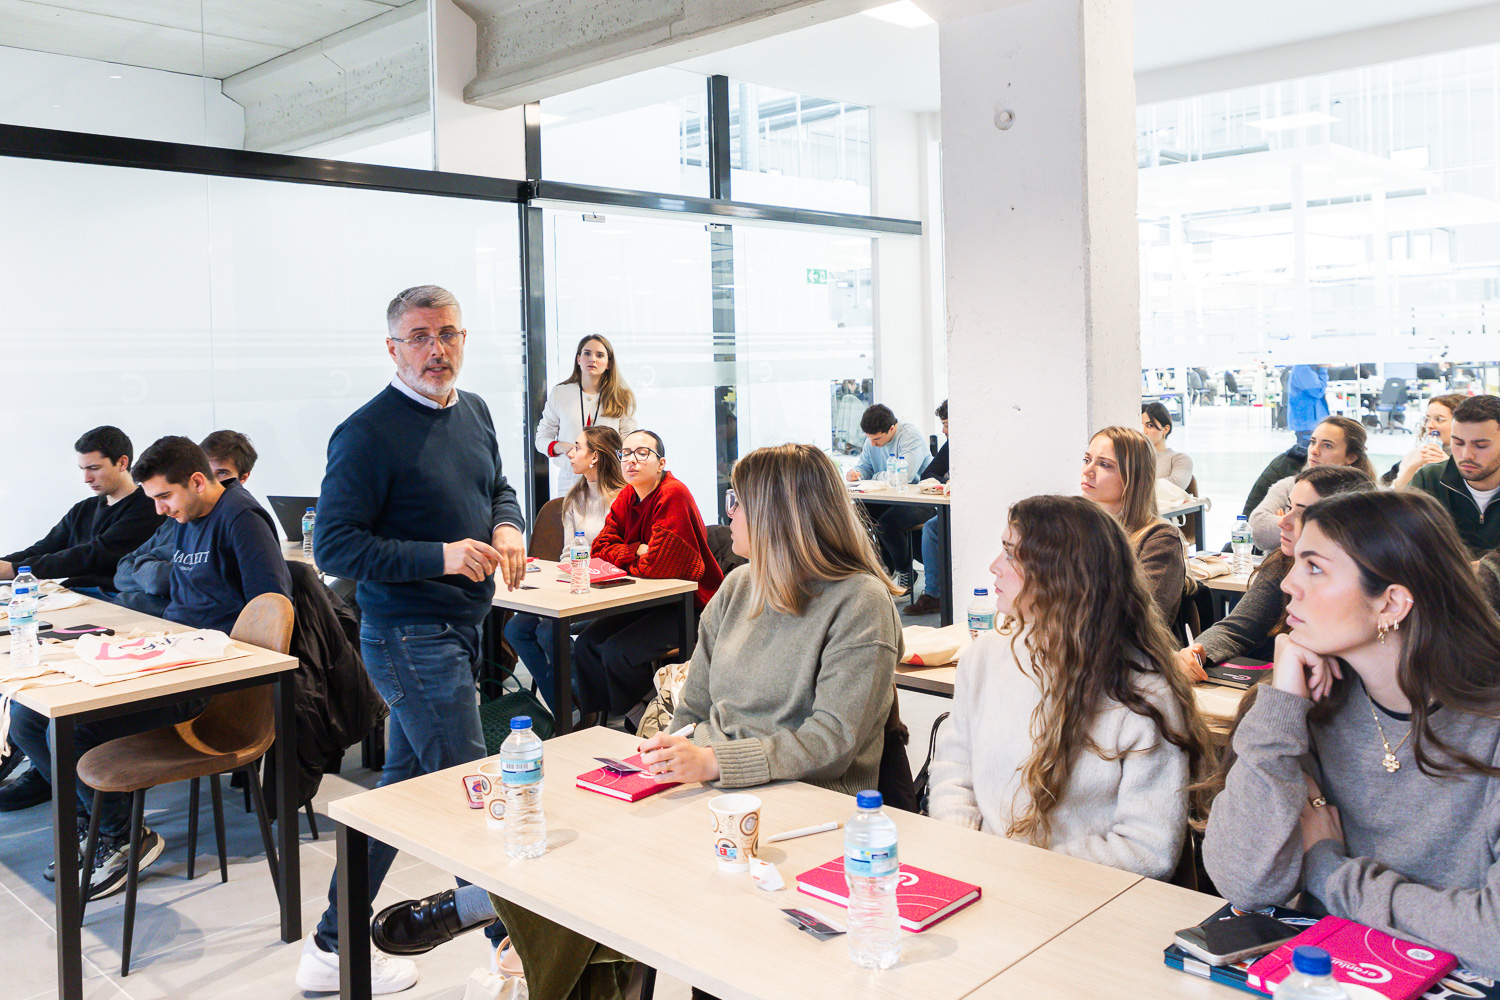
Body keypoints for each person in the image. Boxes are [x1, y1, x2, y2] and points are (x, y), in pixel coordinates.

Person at [366, 443, 906, 994]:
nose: (729, 514)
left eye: (738, 502)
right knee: (592, 833)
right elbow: (694, 706)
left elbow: (832, 740)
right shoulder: (741, 587)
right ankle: (510, 922)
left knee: (616, 869)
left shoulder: (859, 602)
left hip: (808, 807)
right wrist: (667, 752)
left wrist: (713, 761)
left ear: (780, 513)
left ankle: (487, 909)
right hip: (716, 789)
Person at [296, 285, 527, 995]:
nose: (438, 349)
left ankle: (332, 951)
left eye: (450, 334)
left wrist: (507, 526)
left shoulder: (476, 409)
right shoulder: (365, 432)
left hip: (460, 626)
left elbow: (499, 487)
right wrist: (442, 555)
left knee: (403, 790)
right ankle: (513, 947)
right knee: (472, 787)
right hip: (408, 634)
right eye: (421, 337)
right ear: (392, 348)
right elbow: (334, 547)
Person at [1201, 490, 1500, 975]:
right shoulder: (1308, 703)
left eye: (1315, 567)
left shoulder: (1488, 727)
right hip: (1324, 979)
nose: (1289, 584)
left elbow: (1492, 939)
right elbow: (1244, 883)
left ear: (1392, 602)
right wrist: (1279, 707)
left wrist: (1327, 869)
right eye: (1296, 563)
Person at [2, 435, 292, 898]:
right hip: (174, 655)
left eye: (163, 497)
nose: (157, 510)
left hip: (212, 684)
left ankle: (121, 835)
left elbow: (272, 607)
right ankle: (91, 821)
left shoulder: (241, 518)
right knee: (28, 719)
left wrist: (191, 653)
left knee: (70, 727)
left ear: (197, 481)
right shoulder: (188, 516)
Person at [928, 495, 1212, 878]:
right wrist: (968, 851)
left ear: (1060, 575)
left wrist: (1023, 870)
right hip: (987, 879)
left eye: (1011, 554)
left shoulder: (1143, 694)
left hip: (1083, 899)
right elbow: (954, 768)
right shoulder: (985, 657)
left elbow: (1149, 848)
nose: (994, 566)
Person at [574, 429, 723, 723]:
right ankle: (615, 718)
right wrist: (636, 551)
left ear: (661, 462)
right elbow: (599, 548)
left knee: (618, 650)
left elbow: (659, 564)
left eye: (642, 453)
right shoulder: (628, 495)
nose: (632, 460)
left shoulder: (672, 493)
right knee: (587, 643)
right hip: (650, 601)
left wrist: (631, 555)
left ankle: (644, 719)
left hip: (691, 606)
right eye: (625, 454)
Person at [1176, 466, 1375, 681]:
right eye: (1288, 508)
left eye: (1301, 514)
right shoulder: (1283, 563)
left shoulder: (1362, 591)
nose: (1282, 521)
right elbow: (1238, 628)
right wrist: (1198, 651)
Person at [504, 425, 625, 711]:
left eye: (578, 448)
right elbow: (567, 553)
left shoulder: (624, 498)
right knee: (515, 629)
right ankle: (568, 708)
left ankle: (587, 705)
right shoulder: (574, 498)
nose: (570, 453)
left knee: (548, 632)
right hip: (575, 586)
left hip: (608, 590)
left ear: (595, 457)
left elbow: (620, 555)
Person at [113, 430, 258, 618]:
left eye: (221, 474)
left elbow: (203, 582)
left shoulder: (239, 517)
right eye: (208, 470)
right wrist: (160, 575)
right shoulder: (180, 518)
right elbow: (123, 570)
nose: (210, 480)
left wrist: (157, 575)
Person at [0, 425, 162, 594]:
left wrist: (12, 569)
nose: (87, 478)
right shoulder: (83, 508)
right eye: (83, 469)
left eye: (94, 468)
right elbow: (42, 549)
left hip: (110, 598)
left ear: (122, 463)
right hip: (71, 593)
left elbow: (93, 555)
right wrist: (6, 564)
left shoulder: (148, 506)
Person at [1080, 426, 1187, 626]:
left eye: (1104, 464)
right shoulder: (1077, 530)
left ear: (1133, 476)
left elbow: (1140, 624)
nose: (1087, 471)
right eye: (1087, 460)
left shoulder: (1159, 539)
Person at [1248, 416, 1375, 551]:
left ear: (1351, 457)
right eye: (1313, 442)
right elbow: (1258, 530)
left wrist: (1288, 524)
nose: (1314, 451)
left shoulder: (1366, 496)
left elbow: (1359, 540)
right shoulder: (1289, 486)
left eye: (1327, 445)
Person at [845, 403, 935, 591]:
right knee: (857, 513)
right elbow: (865, 467)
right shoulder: (872, 441)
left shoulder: (910, 436)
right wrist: (856, 473)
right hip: (890, 499)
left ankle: (905, 572)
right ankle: (883, 565)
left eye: (877, 439)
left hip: (921, 500)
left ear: (892, 428)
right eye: (869, 439)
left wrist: (875, 476)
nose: (872, 444)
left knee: (887, 523)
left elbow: (904, 477)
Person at [535, 334, 637, 493]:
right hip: (570, 478)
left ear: (609, 363)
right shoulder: (560, 393)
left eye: (600, 355)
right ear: (578, 359)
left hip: (609, 478)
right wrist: (561, 447)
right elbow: (541, 438)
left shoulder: (621, 396)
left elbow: (629, 441)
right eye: (587, 353)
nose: (592, 359)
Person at [1408, 394, 1500, 557]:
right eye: (1458, 443)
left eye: (1481, 446)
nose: (1466, 455)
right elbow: (1403, 541)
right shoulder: (1429, 479)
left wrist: (1486, 569)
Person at [906, 400, 951, 617]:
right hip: (950, 505)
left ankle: (934, 594)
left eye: (947, 425)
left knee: (932, 528)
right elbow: (928, 475)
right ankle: (934, 594)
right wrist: (947, 482)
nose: (943, 430)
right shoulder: (951, 445)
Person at [1384, 393, 1464, 487]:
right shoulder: (1415, 455)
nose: (1429, 425)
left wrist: (1447, 466)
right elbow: (1396, 493)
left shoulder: (1471, 457)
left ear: (1460, 423)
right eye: (1427, 419)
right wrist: (1413, 467)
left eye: (1439, 419)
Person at [1140, 402, 1194, 489]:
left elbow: (1175, 486)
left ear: (1166, 429)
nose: (1143, 431)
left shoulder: (1180, 459)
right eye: (1140, 425)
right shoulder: (1132, 458)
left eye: (1150, 425)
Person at [1288, 364, 1330, 448]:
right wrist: (1323, 369)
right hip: (1308, 423)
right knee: (1308, 454)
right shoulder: (1303, 369)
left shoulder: (1306, 368)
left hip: (1309, 422)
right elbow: (1318, 391)